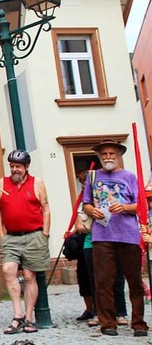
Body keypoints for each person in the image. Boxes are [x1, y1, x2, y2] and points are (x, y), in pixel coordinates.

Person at [81, 139, 149, 337]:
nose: (108, 157)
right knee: (103, 281)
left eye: (112, 154)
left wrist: (124, 207)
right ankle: (108, 323)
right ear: (99, 157)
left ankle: (138, 323)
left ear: (118, 156)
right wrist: (92, 210)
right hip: (102, 236)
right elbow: (86, 204)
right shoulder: (92, 177)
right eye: (104, 154)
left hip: (128, 235)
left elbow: (141, 205)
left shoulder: (129, 176)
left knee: (134, 281)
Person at [0, 149, 50, 335]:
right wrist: (2, 234)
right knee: (8, 270)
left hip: (34, 235)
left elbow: (45, 208)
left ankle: (28, 318)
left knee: (29, 276)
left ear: (26, 167)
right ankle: (17, 315)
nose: (14, 170)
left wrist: (45, 234)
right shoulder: (3, 183)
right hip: (11, 236)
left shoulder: (37, 183)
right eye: (12, 166)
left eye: (18, 166)